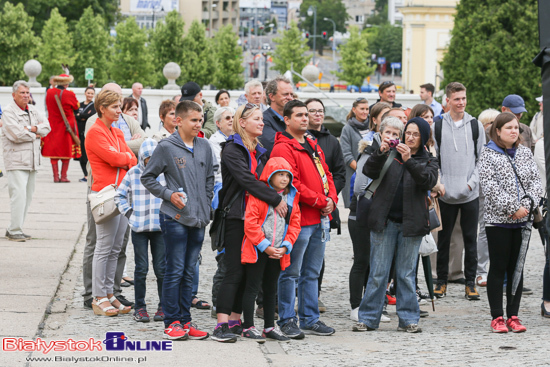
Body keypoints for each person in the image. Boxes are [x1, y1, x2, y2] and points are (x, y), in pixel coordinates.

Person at [352, 117, 438, 334]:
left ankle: (408, 319)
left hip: (412, 224)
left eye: (415, 134)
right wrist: (380, 153)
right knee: (378, 272)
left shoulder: (429, 160)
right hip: (384, 221)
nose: (409, 137)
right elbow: (369, 172)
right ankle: (369, 318)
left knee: (406, 274)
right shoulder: (389, 152)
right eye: (407, 133)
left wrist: (409, 160)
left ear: (424, 138)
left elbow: (427, 181)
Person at [141, 100, 214, 340]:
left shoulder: (204, 145)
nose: (198, 124)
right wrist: (168, 194)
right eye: (194, 120)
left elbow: (210, 178)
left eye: (200, 119)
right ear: (178, 121)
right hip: (174, 219)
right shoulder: (166, 147)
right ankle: (171, 322)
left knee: (189, 273)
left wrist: (206, 203)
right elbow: (148, 177)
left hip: (199, 219)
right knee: (174, 270)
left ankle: (185, 320)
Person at [213, 103, 285, 343]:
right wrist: (275, 198)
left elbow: (266, 180)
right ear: (242, 122)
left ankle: (236, 321)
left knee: (247, 272)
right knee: (233, 271)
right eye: (256, 119)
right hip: (236, 216)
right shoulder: (232, 149)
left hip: (256, 218)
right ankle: (221, 324)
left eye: (262, 119)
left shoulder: (259, 150)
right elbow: (248, 180)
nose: (262, 122)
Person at [271, 100, 338, 339]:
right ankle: (287, 319)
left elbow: (326, 173)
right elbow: (292, 184)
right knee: (290, 272)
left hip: (319, 218)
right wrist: (322, 201)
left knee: (311, 272)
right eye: (299, 115)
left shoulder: (311, 142)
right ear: (286, 120)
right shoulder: (283, 148)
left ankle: (310, 319)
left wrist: (331, 199)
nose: (305, 118)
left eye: (305, 115)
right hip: (298, 220)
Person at [82, 83, 146, 310]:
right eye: (115, 107)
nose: (120, 111)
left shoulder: (117, 132)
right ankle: (98, 296)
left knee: (117, 246)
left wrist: (124, 157)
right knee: (104, 246)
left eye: (120, 106)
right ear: (102, 108)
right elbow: (118, 159)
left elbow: (130, 157)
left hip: (121, 193)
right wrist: (124, 157)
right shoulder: (95, 132)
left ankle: (109, 292)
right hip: (105, 193)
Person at [479, 112, 542, 333]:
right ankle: (497, 317)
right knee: (498, 267)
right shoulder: (488, 153)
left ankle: (513, 315)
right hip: (498, 221)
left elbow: (536, 182)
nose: (514, 131)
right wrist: (513, 208)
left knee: (517, 269)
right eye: (508, 128)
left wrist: (525, 205)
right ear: (498, 131)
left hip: (523, 221)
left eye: (516, 127)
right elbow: (490, 187)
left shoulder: (525, 153)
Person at [240, 157, 301, 343]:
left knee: (270, 288)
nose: (284, 179)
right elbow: (250, 224)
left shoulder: (291, 197)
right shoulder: (259, 195)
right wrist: (265, 247)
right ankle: (248, 326)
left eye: (287, 175)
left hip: (278, 251)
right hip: (259, 250)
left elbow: (295, 224)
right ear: (270, 176)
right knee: (251, 287)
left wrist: (285, 246)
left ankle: (268, 327)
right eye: (280, 175)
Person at [433, 82, 485, 300]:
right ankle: (441, 281)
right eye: (457, 99)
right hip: (446, 193)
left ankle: (470, 283)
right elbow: (434, 158)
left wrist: (472, 183)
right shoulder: (437, 125)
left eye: (463, 98)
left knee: (470, 240)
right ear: (448, 100)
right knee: (443, 240)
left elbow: (482, 158)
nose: (461, 102)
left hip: (469, 192)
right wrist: (440, 183)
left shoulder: (475, 125)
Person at [349, 115, 402, 322]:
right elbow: (359, 187)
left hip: (383, 215)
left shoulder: (400, 153)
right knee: (362, 260)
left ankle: (374, 305)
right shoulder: (369, 150)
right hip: (362, 212)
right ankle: (356, 306)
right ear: (380, 133)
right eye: (388, 132)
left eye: (395, 134)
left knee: (379, 264)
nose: (391, 136)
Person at [115, 139, 166, 323]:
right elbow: (119, 195)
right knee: (141, 268)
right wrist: (129, 213)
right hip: (139, 228)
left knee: (161, 269)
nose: (151, 163)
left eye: (155, 159)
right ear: (142, 158)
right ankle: (140, 306)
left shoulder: (165, 174)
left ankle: (163, 306)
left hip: (160, 228)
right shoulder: (133, 173)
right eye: (148, 159)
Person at [305, 98, 346, 313]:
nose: (317, 115)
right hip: (304, 205)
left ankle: (315, 295)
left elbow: (339, 173)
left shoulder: (331, 141)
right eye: (312, 111)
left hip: (326, 206)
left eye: (320, 111)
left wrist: (331, 198)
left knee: (317, 257)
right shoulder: (300, 139)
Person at [2, 80, 51, 242]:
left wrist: (31, 129)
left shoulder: (33, 110)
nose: (25, 95)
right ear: (14, 95)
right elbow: (15, 135)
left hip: (32, 160)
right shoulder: (9, 112)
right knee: (19, 195)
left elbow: (47, 127)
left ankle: (15, 228)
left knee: (28, 196)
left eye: (27, 93)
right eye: (22, 93)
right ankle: (15, 230)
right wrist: (36, 135)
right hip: (16, 160)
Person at [208, 106, 235, 318]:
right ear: (218, 123)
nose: (231, 121)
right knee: (224, 254)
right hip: (222, 198)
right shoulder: (214, 144)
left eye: (234, 117)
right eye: (228, 118)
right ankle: (218, 302)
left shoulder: (239, 141)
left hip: (236, 197)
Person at [42, 73, 81, 183]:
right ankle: (63, 176)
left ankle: (55, 176)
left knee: (54, 150)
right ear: (66, 83)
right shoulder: (69, 94)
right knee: (66, 149)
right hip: (66, 125)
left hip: (53, 124)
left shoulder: (49, 92)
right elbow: (76, 106)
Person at [340, 98, 371, 208]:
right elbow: (346, 155)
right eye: (362, 109)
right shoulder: (347, 129)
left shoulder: (372, 127)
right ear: (354, 110)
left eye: (367, 109)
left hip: (372, 176)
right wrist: (362, 170)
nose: (365, 112)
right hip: (355, 175)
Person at [259, 76, 294, 153]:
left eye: (292, 95)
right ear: (271, 97)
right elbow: (277, 147)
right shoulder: (262, 120)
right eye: (285, 94)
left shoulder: (295, 119)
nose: (290, 98)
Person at [75, 86, 96, 183]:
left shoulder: (94, 106)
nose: (90, 95)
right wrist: (81, 116)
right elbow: (75, 115)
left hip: (88, 133)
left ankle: (89, 174)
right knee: (80, 154)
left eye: (92, 93)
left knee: (87, 154)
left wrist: (81, 116)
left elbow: (90, 116)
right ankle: (85, 174)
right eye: (88, 93)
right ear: (85, 93)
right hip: (78, 132)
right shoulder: (79, 104)